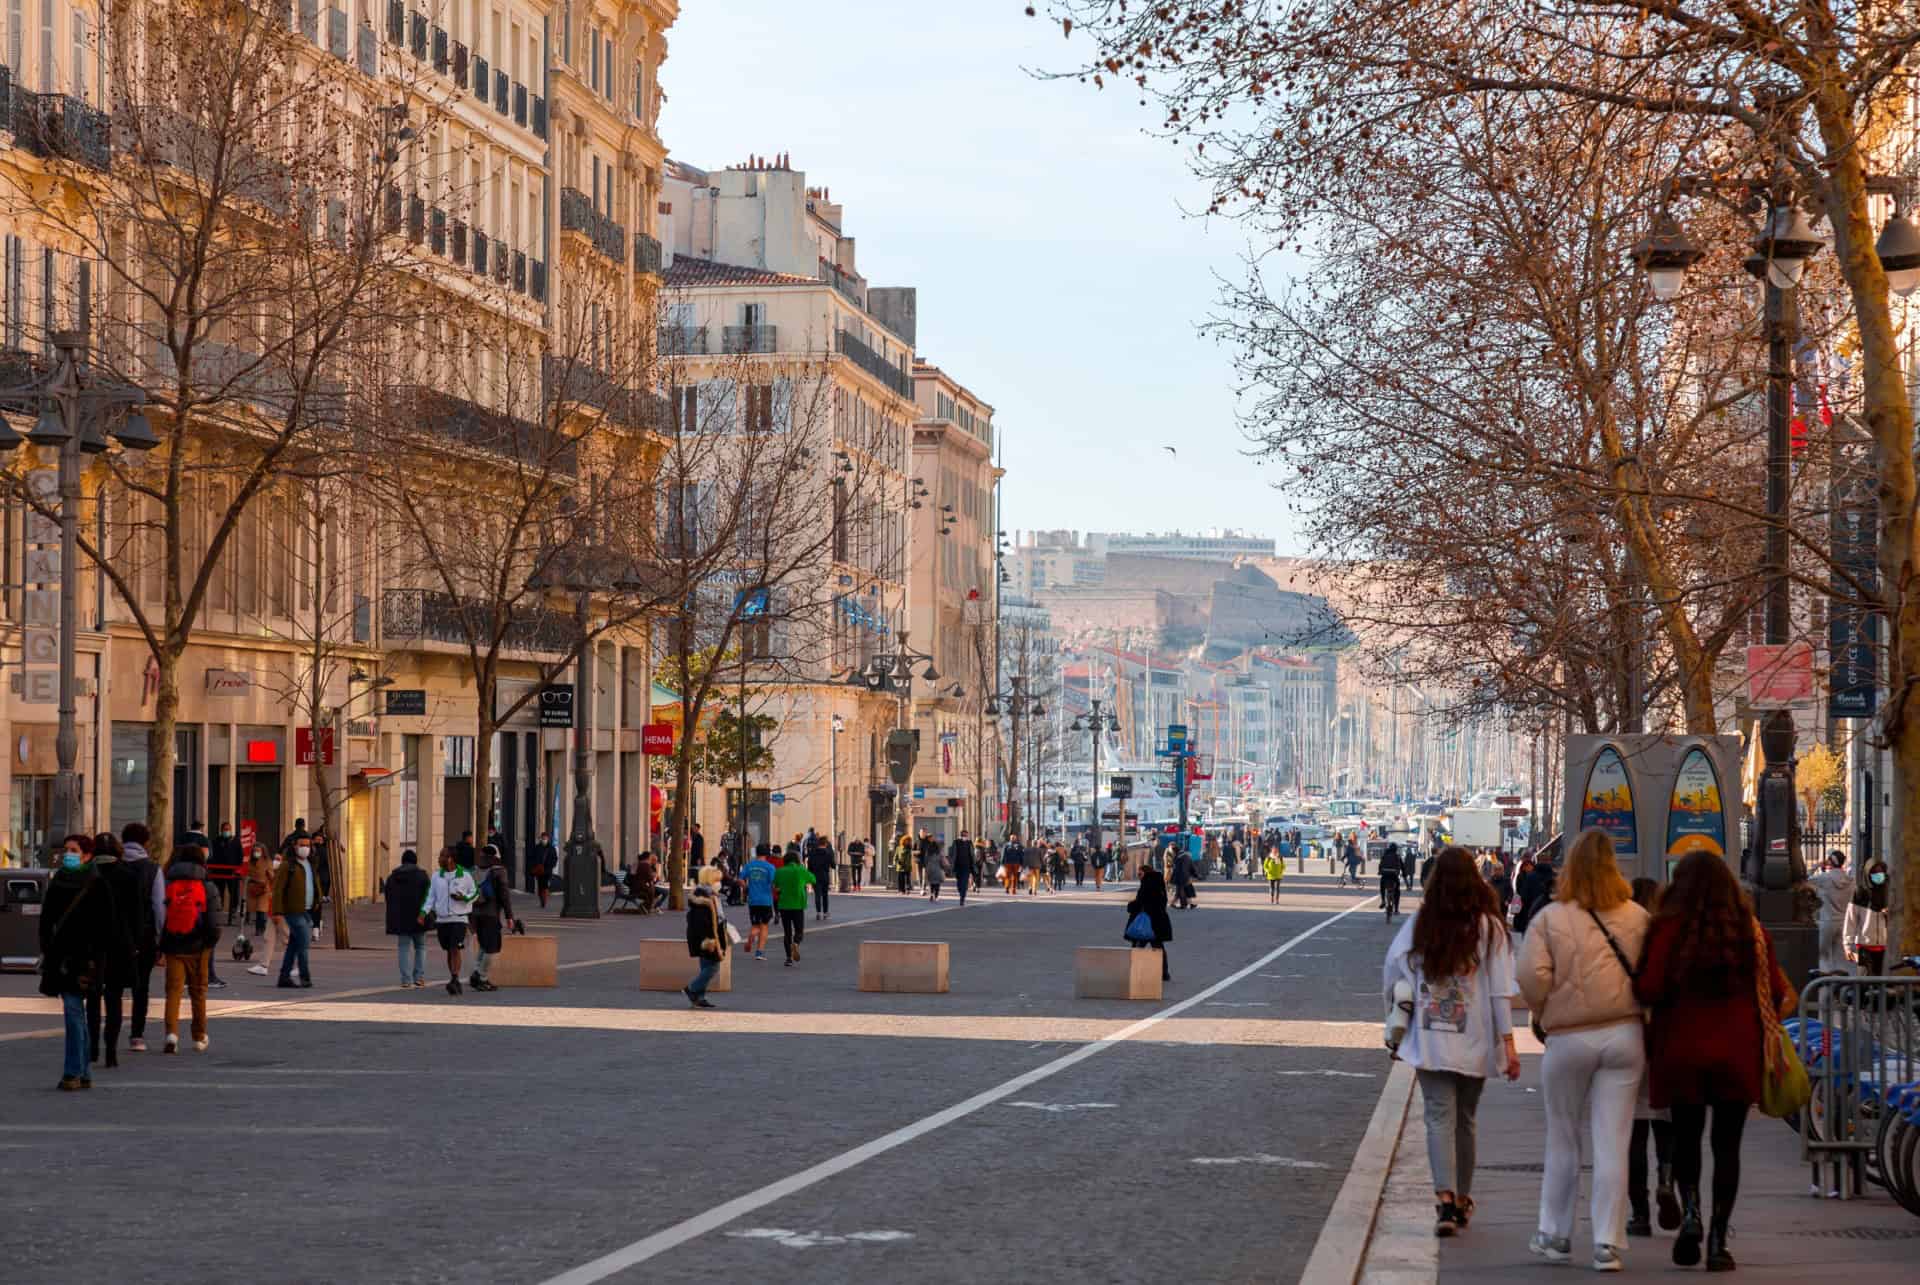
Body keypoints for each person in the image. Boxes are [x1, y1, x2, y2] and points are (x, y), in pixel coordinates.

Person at [1635, 849, 1793, 1273]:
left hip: (1681, 1050)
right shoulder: (1750, 932)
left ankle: (1691, 1215)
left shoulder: (1667, 929)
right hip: (1736, 1053)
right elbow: (1778, 993)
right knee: (1728, 1147)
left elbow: (1647, 988)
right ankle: (1719, 1241)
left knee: (1686, 1139)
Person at [1518, 829, 1650, 1272]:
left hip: (1570, 1035)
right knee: (1614, 1140)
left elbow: (1531, 976)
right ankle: (1608, 1242)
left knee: (1563, 1137)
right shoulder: (1637, 917)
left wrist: (1544, 1011)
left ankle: (1555, 1234)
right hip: (1625, 1033)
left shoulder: (1551, 918)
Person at [1383, 845, 1520, 1239]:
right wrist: (1508, 1043)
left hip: (1430, 1035)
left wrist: (1394, 1025)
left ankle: (1444, 1197)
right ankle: (1462, 1199)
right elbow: (1499, 991)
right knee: (1466, 1120)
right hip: (1476, 1036)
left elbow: (1394, 969)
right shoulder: (1489, 927)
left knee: (1438, 1117)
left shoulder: (1422, 922)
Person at [41, 834, 124, 1090]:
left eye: (74, 850)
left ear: (87, 855)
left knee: (74, 1014)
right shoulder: (58, 882)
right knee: (76, 1013)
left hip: (86, 961)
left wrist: (96, 958)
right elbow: (46, 921)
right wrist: (48, 951)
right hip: (62, 959)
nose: (68, 854)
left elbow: (108, 927)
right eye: (66, 849)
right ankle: (83, 1070)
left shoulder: (97, 884)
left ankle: (72, 1072)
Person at [1625, 877, 1678, 1240]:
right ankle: (1668, 1178)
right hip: (1666, 1042)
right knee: (1667, 1127)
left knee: (1634, 1134)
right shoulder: (1667, 936)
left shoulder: (1626, 934)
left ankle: (1640, 1213)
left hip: (1632, 1038)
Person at [159, 832, 221, 1054]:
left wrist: (162, 944)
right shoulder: (207, 886)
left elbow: (160, 916)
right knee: (198, 991)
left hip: (174, 944)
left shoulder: (167, 883)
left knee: (173, 991)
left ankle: (171, 1034)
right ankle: (198, 1036)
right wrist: (210, 943)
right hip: (199, 946)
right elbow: (214, 922)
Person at [84, 833, 140, 1068]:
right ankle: (111, 1050)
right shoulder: (128, 875)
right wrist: (134, 943)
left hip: (91, 945)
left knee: (93, 998)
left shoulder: (87, 874)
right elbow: (138, 914)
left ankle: (93, 1047)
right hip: (120, 945)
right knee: (115, 998)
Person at [119, 822, 165, 1051]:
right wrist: (159, 937)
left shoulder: (113, 866)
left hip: (115, 933)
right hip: (143, 935)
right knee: (141, 987)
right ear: (145, 842)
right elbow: (158, 906)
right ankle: (137, 1035)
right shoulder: (152, 869)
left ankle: (110, 1032)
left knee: (112, 986)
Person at [271, 827, 322, 989]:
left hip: (307, 910)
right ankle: (305, 977)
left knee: (294, 945)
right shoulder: (288, 865)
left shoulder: (310, 863)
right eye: (302, 845)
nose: (305, 848)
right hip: (293, 911)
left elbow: (314, 884)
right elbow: (278, 889)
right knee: (304, 944)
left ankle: (284, 977)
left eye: (308, 845)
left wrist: (318, 901)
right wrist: (277, 912)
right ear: (295, 846)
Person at [425, 847, 478, 995]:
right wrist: (424, 912)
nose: (439, 858)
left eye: (442, 855)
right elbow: (430, 896)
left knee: (455, 947)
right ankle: (453, 976)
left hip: (459, 918)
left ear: (451, 859)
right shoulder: (436, 876)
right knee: (449, 949)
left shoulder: (465, 875)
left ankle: (455, 978)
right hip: (442, 919)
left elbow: (475, 893)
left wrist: (464, 898)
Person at [468, 847, 515, 992]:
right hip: (491, 914)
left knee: (484, 944)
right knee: (492, 948)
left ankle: (476, 973)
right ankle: (482, 978)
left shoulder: (473, 870)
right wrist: (509, 916)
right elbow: (504, 896)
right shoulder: (499, 871)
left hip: (475, 914)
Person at [385, 848, 432, 987]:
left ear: (402, 861)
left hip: (401, 918)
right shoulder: (423, 876)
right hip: (419, 916)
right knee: (421, 947)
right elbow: (429, 896)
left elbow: (388, 897)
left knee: (403, 948)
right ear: (415, 861)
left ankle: (406, 979)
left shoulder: (393, 877)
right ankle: (419, 977)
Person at [1806, 852, 1855, 974]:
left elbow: (1805, 878)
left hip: (1827, 921)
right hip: (1843, 922)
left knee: (1823, 955)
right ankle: (1841, 983)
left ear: (1830, 862)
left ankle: (1826, 981)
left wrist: (1817, 865)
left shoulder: (1824, 878)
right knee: (1840, 957)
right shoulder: (1850, 880)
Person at [683, 882, 728, 1009]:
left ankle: (699, 997)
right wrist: (709, 940)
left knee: (706, 966)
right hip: (707, 939)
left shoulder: (712, 897)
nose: (719, 883)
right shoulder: (703, 900)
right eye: (717, 880)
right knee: (713, 967)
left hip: (710, 937)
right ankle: (692, 988)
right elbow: (702, 923)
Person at [1126, 863, 1173, 981]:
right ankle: (1164, 973)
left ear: (1145, 873)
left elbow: (1141, 902)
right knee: (1158, 947)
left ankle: (1133, 970)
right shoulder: (1158, 883)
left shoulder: (1147, 884)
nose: (1138, 876)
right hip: (1158, 922)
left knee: (1137, 947)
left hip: (1146, 923)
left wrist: (1131, 906)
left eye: (1140, 873)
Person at [1844, 859, 1889, 975]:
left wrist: (1889, 914)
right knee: (1864, 982)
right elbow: (1850, 919)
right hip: (1864, 947)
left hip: (1885, 948)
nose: (1879, 876)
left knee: (1883, 983)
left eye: (1881, 872)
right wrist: (1847, 945)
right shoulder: (1860, 892)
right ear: (1868, 874)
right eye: (1875, 873)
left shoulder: (1889, 892)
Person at [774, 850, 815, 967]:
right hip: (798, 904)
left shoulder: (779, 871)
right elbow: (813, 879)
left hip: (784, 905)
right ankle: (796, 943)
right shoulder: (801, 870)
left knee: (787, 933)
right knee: (799, 931)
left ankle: (788, 959)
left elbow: (776, 885)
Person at [740, 843, 778, 961]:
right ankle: (759, 952)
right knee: (764, 926)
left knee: (755, 924)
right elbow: (774, 884)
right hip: (766, 900)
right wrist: (777, 890)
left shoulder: (749, 865)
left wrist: (746, 887)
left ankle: (751, 936)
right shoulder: (770, 867)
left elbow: (740, 879)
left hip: (753, 900)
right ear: (767, 854)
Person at [246, 845, 277, 976]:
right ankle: (264, 965)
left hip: (265, 890)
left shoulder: (268, 862)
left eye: (259, 851)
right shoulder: (250, 862)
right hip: (253, 888)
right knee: (269, 937)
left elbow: (272, 877)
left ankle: (297, 965)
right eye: (255, 851)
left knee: (261, 910)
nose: (256, 853)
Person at [207, 820, 245, 925]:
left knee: (233, 892)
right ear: (221, 830)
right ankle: (219, 910)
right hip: (219, 871)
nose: (226, 831)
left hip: (232, 871)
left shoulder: (236, 841)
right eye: (225, 829)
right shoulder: (216, 841)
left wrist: (238, 869)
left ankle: (233, 910)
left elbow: (240, 855)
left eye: (228, 829)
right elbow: (212, 855)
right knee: (219, 892)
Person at [806, 832, 835, 921]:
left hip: (815, 876)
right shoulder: (828, 853)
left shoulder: (812, 854)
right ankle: (825, 913)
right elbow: (833, 865)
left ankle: (818, 913)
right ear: (825, 844)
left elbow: (809, 866)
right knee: (825, 895)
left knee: (817, 895)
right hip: (825, 876)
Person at [528, 830, 558, 903]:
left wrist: (552, 865)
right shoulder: (537, 847)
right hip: (539, 869)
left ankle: (544, 898)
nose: (544, 839)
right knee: (540, 884)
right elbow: (532, 857)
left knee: (545, 884)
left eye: (545, 838)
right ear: (541, 838)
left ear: (548, 839)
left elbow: (554, 858)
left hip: (547, 869)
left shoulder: (551, 848)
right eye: (543, 838)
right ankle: (541, 897)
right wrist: (534, 865)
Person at [1378, 843, 1407, 920]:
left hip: (1385, 875)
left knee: (1382, 886)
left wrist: (1380, 871)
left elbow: (1380, 865)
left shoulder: (1384, 855)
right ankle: (1396, 908)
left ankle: (1383, 901)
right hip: (1394, 875)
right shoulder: (1397, 856)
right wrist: (1404, 874)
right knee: (1397, 890)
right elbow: (1402, 867)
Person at [950, 831, 976, 906]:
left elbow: (972, 854)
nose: (965, 837)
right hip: (958, 865)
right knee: (959, 882)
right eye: (963, 835)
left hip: (967, 866)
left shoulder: (969, 843)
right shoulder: (956, 842)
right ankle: (961, 891)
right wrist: (952, 864)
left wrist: (973, 864)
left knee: (964, 882)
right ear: (960, 835)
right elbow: (952, 853)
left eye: (966, 835)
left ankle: (962, 897)